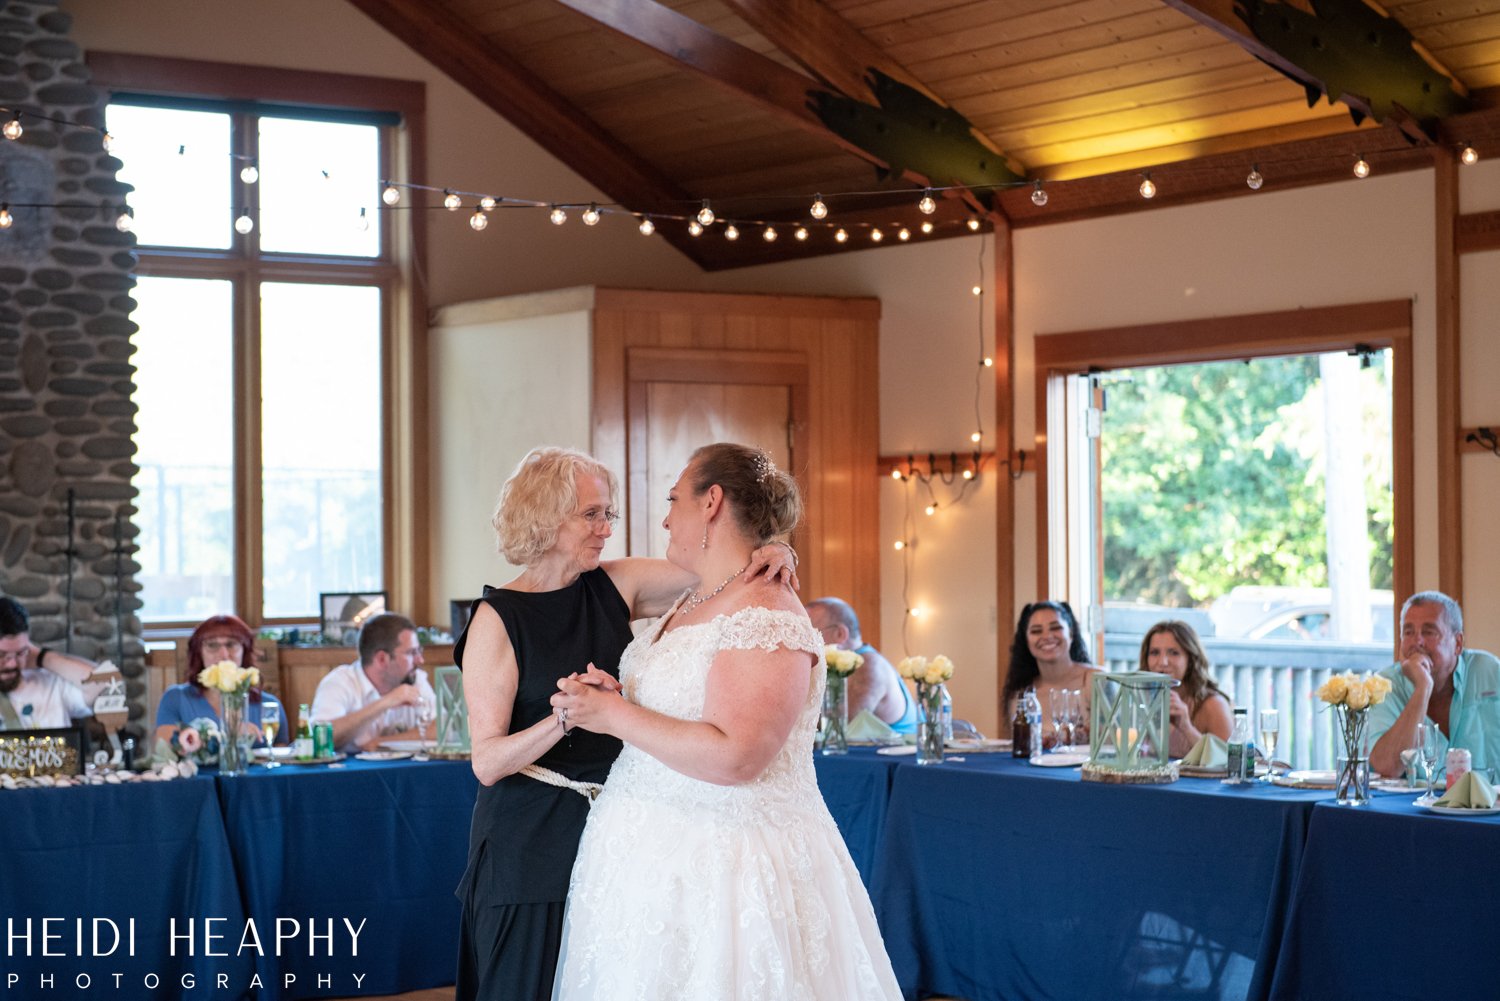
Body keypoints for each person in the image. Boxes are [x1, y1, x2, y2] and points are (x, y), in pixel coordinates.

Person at [549, 443, 900, 1000]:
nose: (665, 517)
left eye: (673, 500)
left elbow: (738, 755)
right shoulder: (690, 598)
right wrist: (619, 696)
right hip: (641, 860)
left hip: (729, 867)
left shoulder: (766, 609)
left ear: (711, 501)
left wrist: (614, 715)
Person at [452, 446, 796, 1001]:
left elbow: (721, 566)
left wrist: (776, 546)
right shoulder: (498, 619)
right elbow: (487, 762)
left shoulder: (616, 584)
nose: (607, 529)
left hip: (619, 833)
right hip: (529, 842)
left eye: (608, 514)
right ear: (545, 516)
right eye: (592, 515)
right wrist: (567, 718)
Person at [1368, 591, 1500, 780]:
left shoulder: (1490, 672)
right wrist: (1422, 689)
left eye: (1429, 632)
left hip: (1489, 806)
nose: (1417, 641)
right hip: (1412, 808)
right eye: (1408, 632)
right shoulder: (1385, 686)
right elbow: (1388, 768)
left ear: (1458, 643)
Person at [309, 611, 436, 754]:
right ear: (382, 659)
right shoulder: (340, 682)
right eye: (411, 653)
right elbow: (320, 738)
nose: (420, 660)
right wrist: (387, 702)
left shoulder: (414, 678)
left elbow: (441, 729)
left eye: (419, 651)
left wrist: (382, 743)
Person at [154, 614, 285, 746]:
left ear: (244, 651)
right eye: (212, 645)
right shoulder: (175, 698)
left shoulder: (270, 705)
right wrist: (229, 734)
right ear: (199, 653)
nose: (224, 655)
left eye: (231, 644)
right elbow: (165, 746)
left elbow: (283, 758)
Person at [806, 596, 918, 733]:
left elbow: (838, 726)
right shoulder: (839, 666)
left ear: (840, 634)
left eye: (810, 633)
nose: (803, 642)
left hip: (896, 752)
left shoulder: (869, 666)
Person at [1002, 600, 1099, 742]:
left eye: (1055, 628)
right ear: (1026, 640)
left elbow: (1115, 744)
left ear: (1071, 633)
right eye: (1036, 631)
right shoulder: (1021, 694)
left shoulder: (1096, 680)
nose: (1047, 637)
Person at [0, 596, 98, 730]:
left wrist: (43, 657)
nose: (12, 664)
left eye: (20, 652)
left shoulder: (50, 685)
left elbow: (107, 687)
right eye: (2, 654)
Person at [1138, 620, 1232, 758]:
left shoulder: (1213, 704)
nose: (1162, 662)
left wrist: (1186, 727)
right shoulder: (1142, 698)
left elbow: (1230, 762)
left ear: (1191, 659)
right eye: (1154, 652)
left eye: (1174, 653)